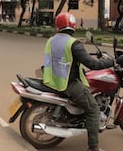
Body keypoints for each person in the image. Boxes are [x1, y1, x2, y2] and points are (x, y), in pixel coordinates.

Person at [42, 12, 113, 151]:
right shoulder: (73, 43)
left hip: (52, 79)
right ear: (73, 26)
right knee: (93, 109)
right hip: (68, 84)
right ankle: (93, 147)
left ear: (58, 26)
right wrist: (111, 62)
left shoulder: (51, 40)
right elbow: (92, 65)